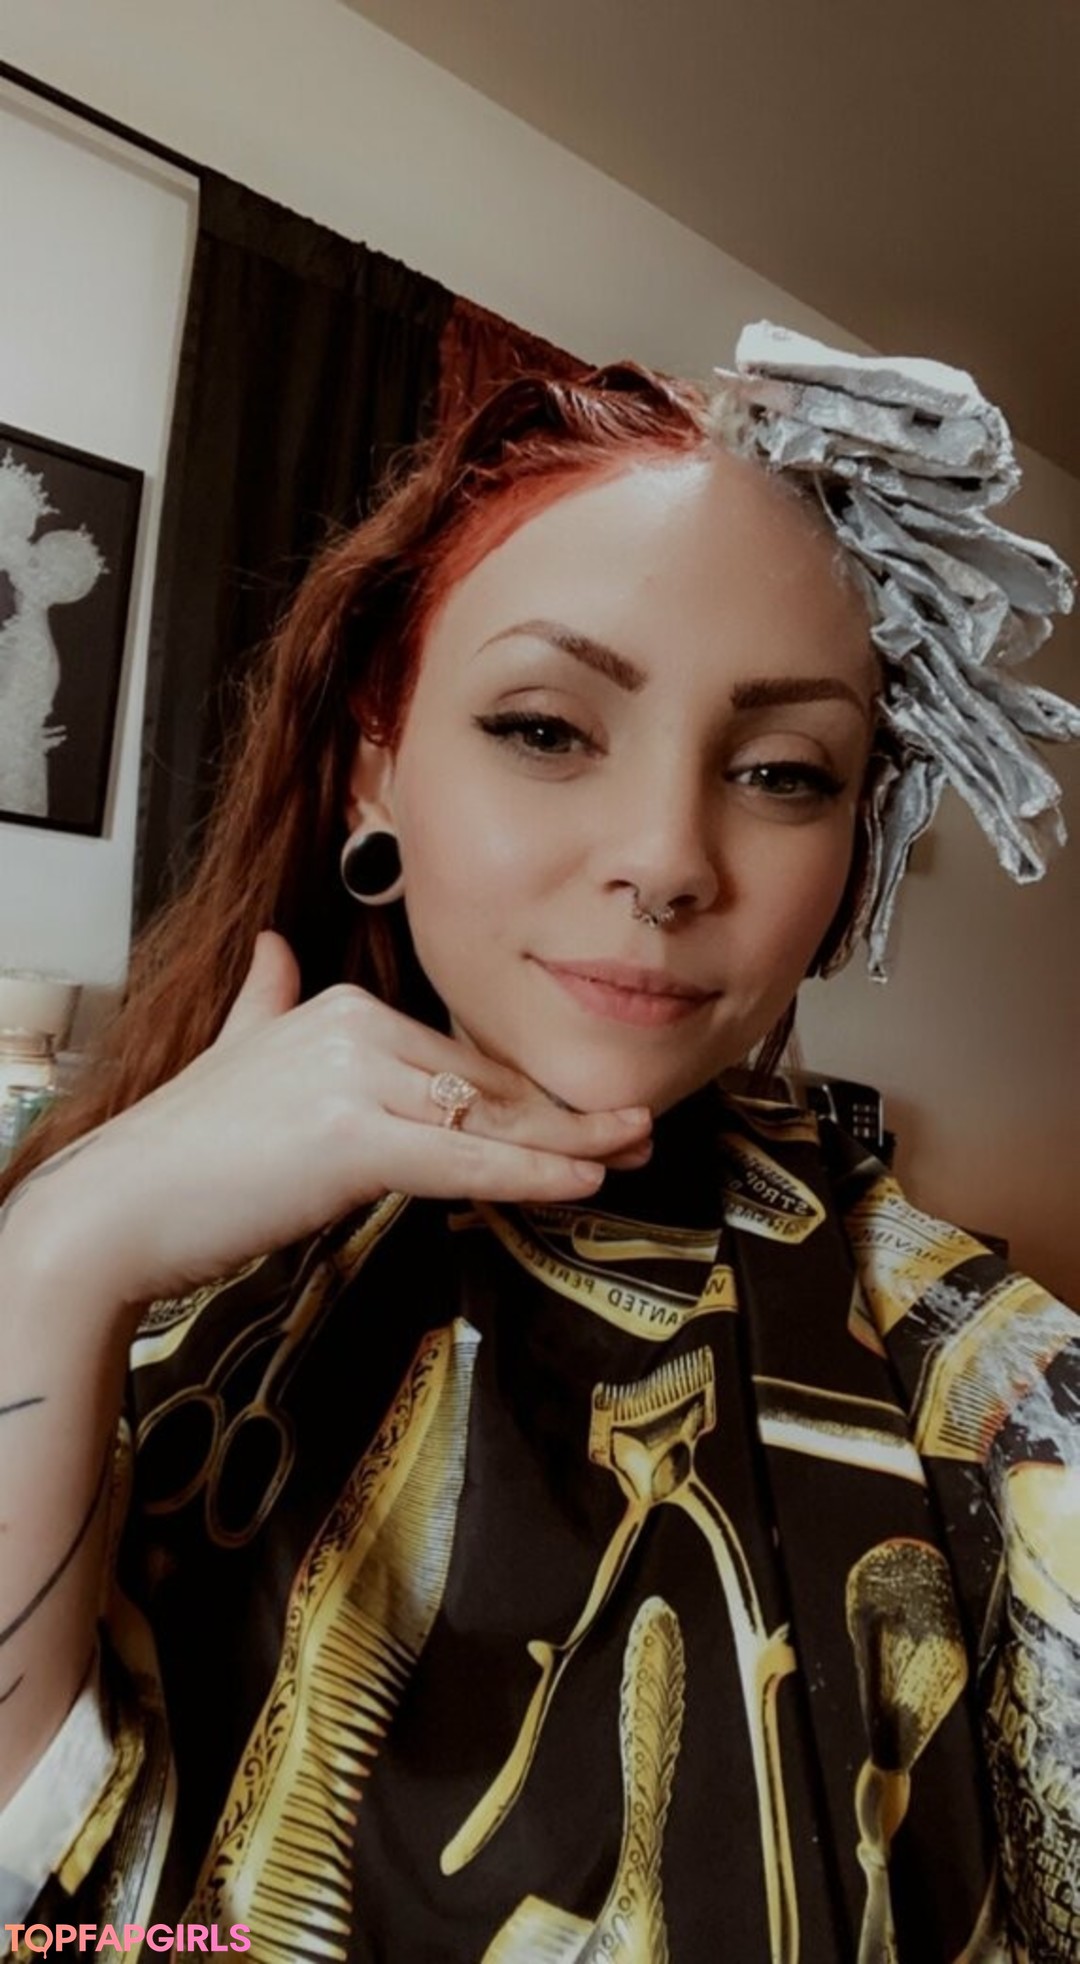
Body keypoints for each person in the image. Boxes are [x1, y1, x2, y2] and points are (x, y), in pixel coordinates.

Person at [0, 324, 1078, 1964]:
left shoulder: (992, 1391)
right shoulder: (109, 1239)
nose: (666, 858)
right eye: (546, 729)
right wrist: (63, 1258)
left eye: (783, 772)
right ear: (373, 769)